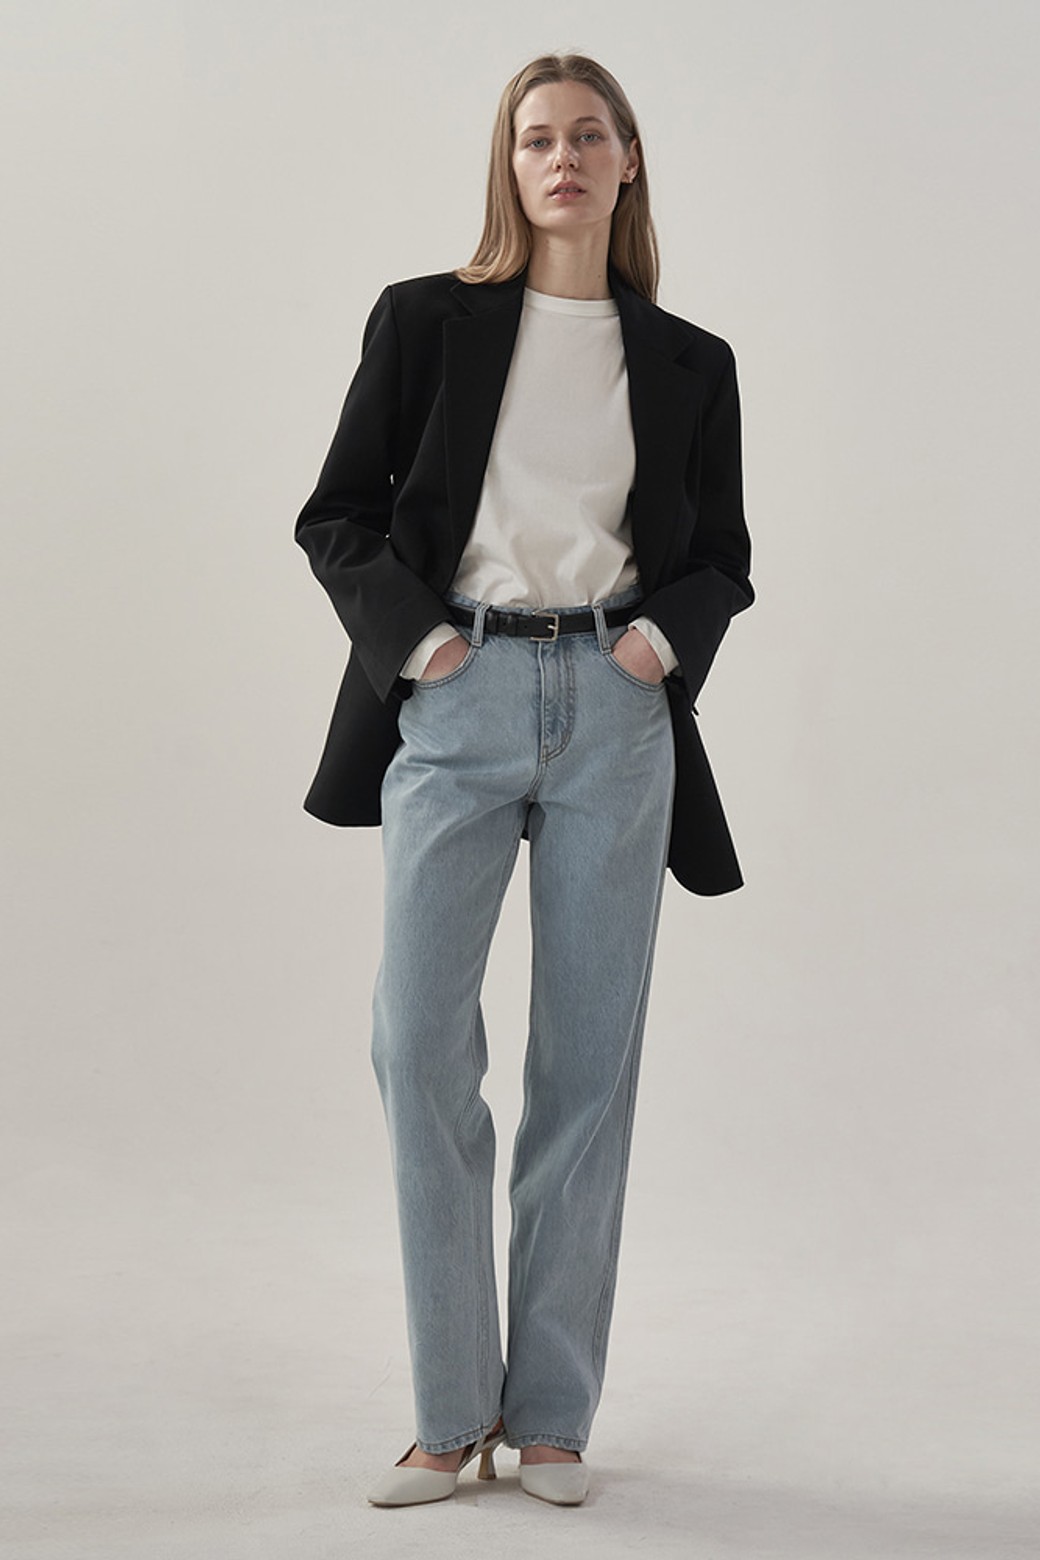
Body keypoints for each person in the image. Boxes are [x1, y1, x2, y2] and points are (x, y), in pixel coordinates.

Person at [294, 51, 754, 1508]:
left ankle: (549, 1418)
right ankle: (450, 1414)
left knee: (585, 1069)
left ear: (628, 162)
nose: (563, 158)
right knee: (416, 1044)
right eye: (537, 138)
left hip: (617, 710)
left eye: (588, 136)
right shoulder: (424, 320)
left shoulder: (691, 361)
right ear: (509, 165)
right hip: (460, 693)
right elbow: (336, 514)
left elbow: (720, 558)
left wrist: (657, 647)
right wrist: (424, 643)